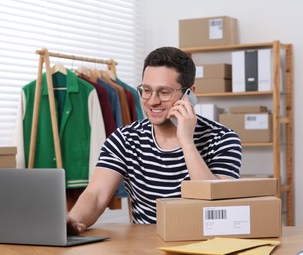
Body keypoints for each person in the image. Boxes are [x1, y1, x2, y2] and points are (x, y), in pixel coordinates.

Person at [67, 46, 242, 233]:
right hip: (145, 249)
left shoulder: (223, 139)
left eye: (164, 92)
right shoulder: (124, 139)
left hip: (203, 245)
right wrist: (72, 222)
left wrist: (187, 143)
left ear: (189, 93)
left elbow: (217, 205)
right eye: (147, 90)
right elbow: (96, 195)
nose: (152, 101)